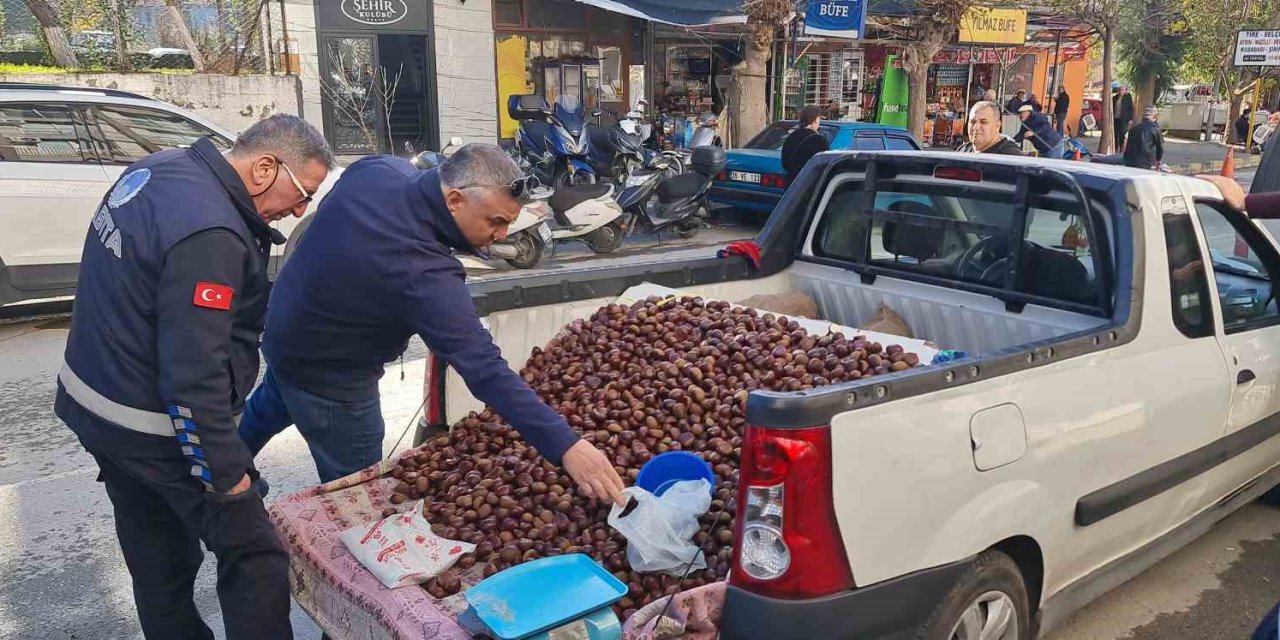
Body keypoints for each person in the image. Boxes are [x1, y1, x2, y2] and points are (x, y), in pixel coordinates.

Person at [53, 114, 334, 639]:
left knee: (157, 555)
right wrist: (227, 474)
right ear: (265, 166)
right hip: (152, 425)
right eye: (302, 194)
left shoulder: (162, 169)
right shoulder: (214, 234)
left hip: (95, 406)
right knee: (253, 554)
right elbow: (193, 374)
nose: (300, 211)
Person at [236, 144, 628, 506]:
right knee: (357, 501)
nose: (502, 235)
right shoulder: (424, 273)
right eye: (495, 221)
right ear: (455, 200)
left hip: (284, 340)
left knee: (257, 420)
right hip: (336, 386)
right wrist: (567, 446)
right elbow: (485, 371)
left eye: (509, 223)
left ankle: (216, 474)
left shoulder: (377, 170)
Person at [782, 105, 830, 183]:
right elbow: (824, 165)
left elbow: (785, 162)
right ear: (815, 120)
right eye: (819, 119)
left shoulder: (791, 137)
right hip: (810, 185)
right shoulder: (819, 140)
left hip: (792, 183)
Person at [958, 101, 1024, 155]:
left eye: (983, 122)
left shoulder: (1012, 158)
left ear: (997, 126)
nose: (976, 127)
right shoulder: (962, 151)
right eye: (973, 122)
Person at [1113, 85, 1135, 150]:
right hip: (1116, 118)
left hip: (1124, 119)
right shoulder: (1115, 98)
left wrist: (1131, 119)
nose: (1121, 91)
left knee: (1122, 133)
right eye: (1120, 89)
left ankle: (1121, 148)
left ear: (1125, 91)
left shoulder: (1128, 97)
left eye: (1122, 89)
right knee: (1116, 134)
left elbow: (1131, 108)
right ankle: (1115, 147)